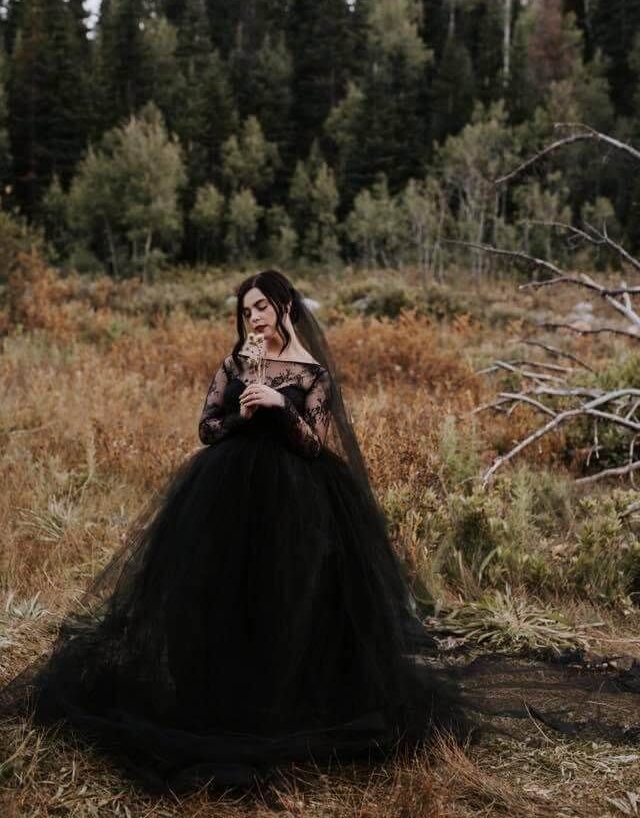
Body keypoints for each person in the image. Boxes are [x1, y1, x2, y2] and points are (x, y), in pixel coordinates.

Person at [1, 270, 637, 795]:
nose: (251, 317)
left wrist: (278, 410)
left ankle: (289, 702)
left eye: (260, 307)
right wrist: (240, 414)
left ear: (284, 308)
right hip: (224, 491)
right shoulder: (235, 361)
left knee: (290, 595)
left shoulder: (311, 373)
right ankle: (216, 691)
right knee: (218, 592)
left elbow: (314, 444)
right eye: (244, 308)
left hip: (297, 498)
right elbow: (206, 430)